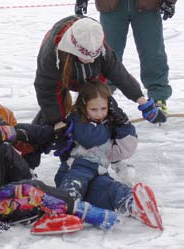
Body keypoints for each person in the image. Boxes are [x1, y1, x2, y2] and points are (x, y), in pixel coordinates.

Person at [0, 101, 119, 234]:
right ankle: (78, 210)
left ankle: (38, 196)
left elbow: (4, 134)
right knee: (28, 191)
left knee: (3, 150)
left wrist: (48, 134)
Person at [53, 79, 163, 230]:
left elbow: (125, 149)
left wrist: (123, 124)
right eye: (94, 109)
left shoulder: (108, 124)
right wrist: (111, 126)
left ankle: (133, 205)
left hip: (98, 174)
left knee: (111, 189)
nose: (99, 114)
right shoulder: (76, 120)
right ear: (83, 106)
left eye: (103, 109)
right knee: (76, 183)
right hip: (74, 171)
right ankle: (62, 209)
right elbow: (89, 138)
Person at [33, 16, 166, 129]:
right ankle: (28, 151)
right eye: (84, 56)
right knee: (51, 121)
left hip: (93, 78)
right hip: (60, 79)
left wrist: (144, 103)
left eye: (93, 56)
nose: (89, 60)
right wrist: (57, 122)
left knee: (100, 106)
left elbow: (120, 74)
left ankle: (108, 145)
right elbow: (46, 90)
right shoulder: (51, 54)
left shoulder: (98, 45)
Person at [75, 0, 177, 114]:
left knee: (152, 52)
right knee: (106, 55)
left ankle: (158, 97)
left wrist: (169, 1)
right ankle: (102, 97)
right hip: (111, 7)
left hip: (148, 6)